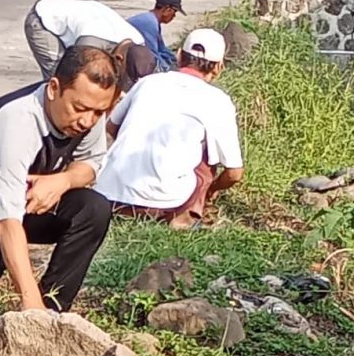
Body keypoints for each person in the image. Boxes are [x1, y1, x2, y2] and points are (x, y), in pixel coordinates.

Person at [0, 40, 123, 324]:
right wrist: (29, 303)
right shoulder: (16, 123)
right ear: (53, 88)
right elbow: (7, 224)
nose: (87, 121)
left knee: (93, 209)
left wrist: (63, 180)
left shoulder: (89, 112)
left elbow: (90, 164)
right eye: (80, 108)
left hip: (22, 199)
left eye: (98, 112)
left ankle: (54, 310)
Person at [95, 27, 244, 228]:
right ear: (218, 67)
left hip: (109, 195)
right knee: (207, 161)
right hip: (164, 203)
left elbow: (111, 127)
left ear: (179, 55)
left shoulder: (147, 83)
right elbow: (234, 173)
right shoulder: (218, 101)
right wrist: (211, 191)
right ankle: (182, 220)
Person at [24, 0, 160, 83]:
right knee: (62, 80)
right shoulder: (91, 43)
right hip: (44, 20)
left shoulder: (139, 43)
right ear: (119, 58)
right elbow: (77, 76)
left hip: (84, 21)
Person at [127, 0, 185, 72]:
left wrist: (175, 61)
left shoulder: (153, 21)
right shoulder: (149, 23)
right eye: (174, 11)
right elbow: (153, 55)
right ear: (167, 9)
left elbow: (162, 49)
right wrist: (169, 71)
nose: (174, 16)